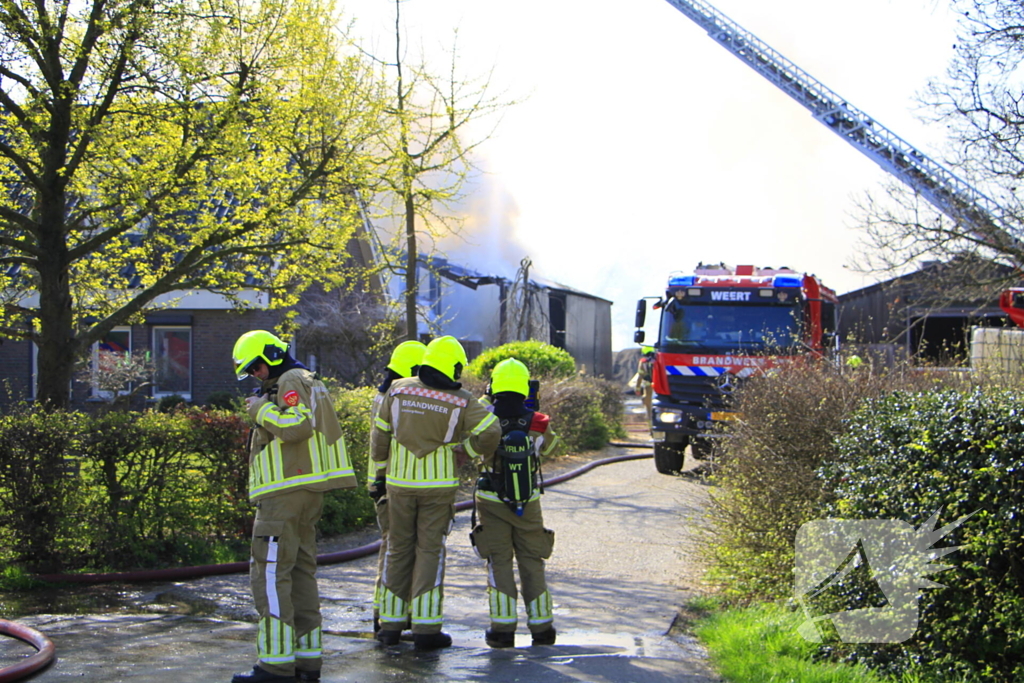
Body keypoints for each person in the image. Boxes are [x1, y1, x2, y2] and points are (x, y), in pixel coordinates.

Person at [230, 330, 357, 683]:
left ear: (270, 356)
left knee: (269, 576)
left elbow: (297, 426)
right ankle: (306, 662)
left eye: (255, 367)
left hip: (284, 495)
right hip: (305, 491)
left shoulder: (289, 379)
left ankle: (274, 666)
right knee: (301, 575)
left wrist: (262, 411)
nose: (255, 375)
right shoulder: (303, 378)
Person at [370, 335, 501, 650]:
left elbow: (380, 435)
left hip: (399, 484)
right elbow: (492, 431)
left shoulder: (398, 390)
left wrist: (380, 474)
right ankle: (427, 630)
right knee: (430, 551)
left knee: (397, 550)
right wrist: (465, 450)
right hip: (438, 487)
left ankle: (389, 626)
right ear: (453, 367)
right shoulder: (462, 399)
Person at [472, 358, 560, 648]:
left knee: (499, 562)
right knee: (531, 561)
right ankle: (542, 629)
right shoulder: (538, 422)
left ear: (494, 385)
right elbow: (550, 447)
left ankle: (502, 631)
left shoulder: (484, 416)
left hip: (491, 500)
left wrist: (486, 401)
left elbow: (471, 446)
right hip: (529, 502)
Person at [367, 340, 427, 635]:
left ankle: (389, 613)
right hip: (395, 486)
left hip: (384, 486)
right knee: (401, 552)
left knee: (393, 550)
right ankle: (391, 616)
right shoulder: (398, 398)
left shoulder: (385, 396)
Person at [633, 346, 655, 423]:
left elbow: (640, 376)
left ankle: (650, 420)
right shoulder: (658, 360)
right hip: (658, 385)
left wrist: (637, 388)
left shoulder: (643, 362)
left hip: (648, 386)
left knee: (647, 403)